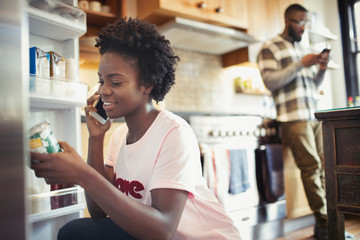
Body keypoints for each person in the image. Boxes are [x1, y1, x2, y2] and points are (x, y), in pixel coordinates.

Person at [31, 17, 241, 240]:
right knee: (76, 232)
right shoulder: (119, 136)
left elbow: (163, 230)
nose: (103, 91)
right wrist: (96, 138)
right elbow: (99, 211)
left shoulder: (174, 133)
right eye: (101, 81)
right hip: (148, 234)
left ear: (147, 84)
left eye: (116, 82)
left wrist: (84, 175)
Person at [257, 4, 331, 240]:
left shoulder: (304, 49)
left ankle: (323, 230)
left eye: (306, 23)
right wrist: (301, 63)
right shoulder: (270, 47)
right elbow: (270, 82)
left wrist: (320, 69)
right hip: (293, 118)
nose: (303, 28)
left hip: (313, 116)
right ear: (287, 21)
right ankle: (330, 228)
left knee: (324, 171)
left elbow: (313, 86)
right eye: (300, 23)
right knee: (311, 170)